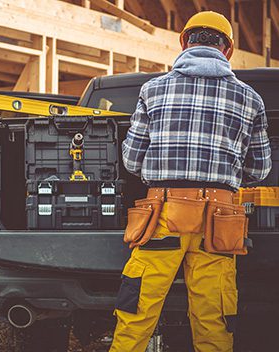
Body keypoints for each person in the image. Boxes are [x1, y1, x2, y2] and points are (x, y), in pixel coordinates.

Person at [110, 11, 272, 352]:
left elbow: (131, 159)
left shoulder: (152, 90)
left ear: (184, 42)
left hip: (162, 218)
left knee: (136, 311)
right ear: (227, 49)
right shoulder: (250, 99)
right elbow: (260, 170)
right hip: (220, 223)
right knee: (215, 318)